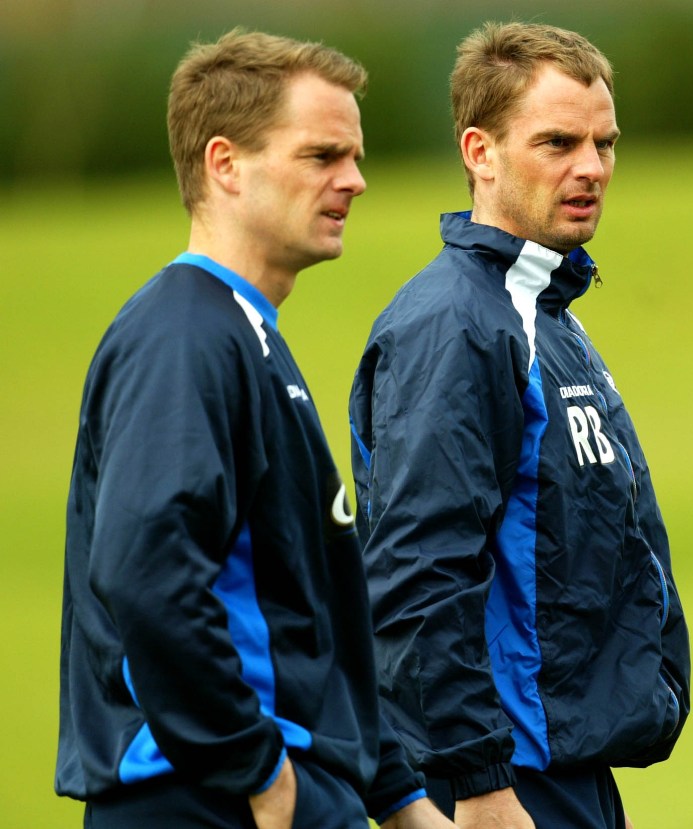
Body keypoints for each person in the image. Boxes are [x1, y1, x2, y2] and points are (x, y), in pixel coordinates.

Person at [55, 29, 456, 829]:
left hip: (272, 786)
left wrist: (398, 796)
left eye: (354, 155)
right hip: (208, 797)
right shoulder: (183, 338)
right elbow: (145, 569)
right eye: (322, 156)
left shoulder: (247, 334)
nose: (356, 180)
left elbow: (305, 608)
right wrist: (259, 770)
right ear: (224, 164)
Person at [349, 21, 692, 829]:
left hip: (564, 773)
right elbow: (420, 570)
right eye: (558, 142)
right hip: (499, 784)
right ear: (481, 151)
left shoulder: (546, 314)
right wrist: (478, 781)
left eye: (605, 143)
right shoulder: (458, 325)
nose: (591, 168)